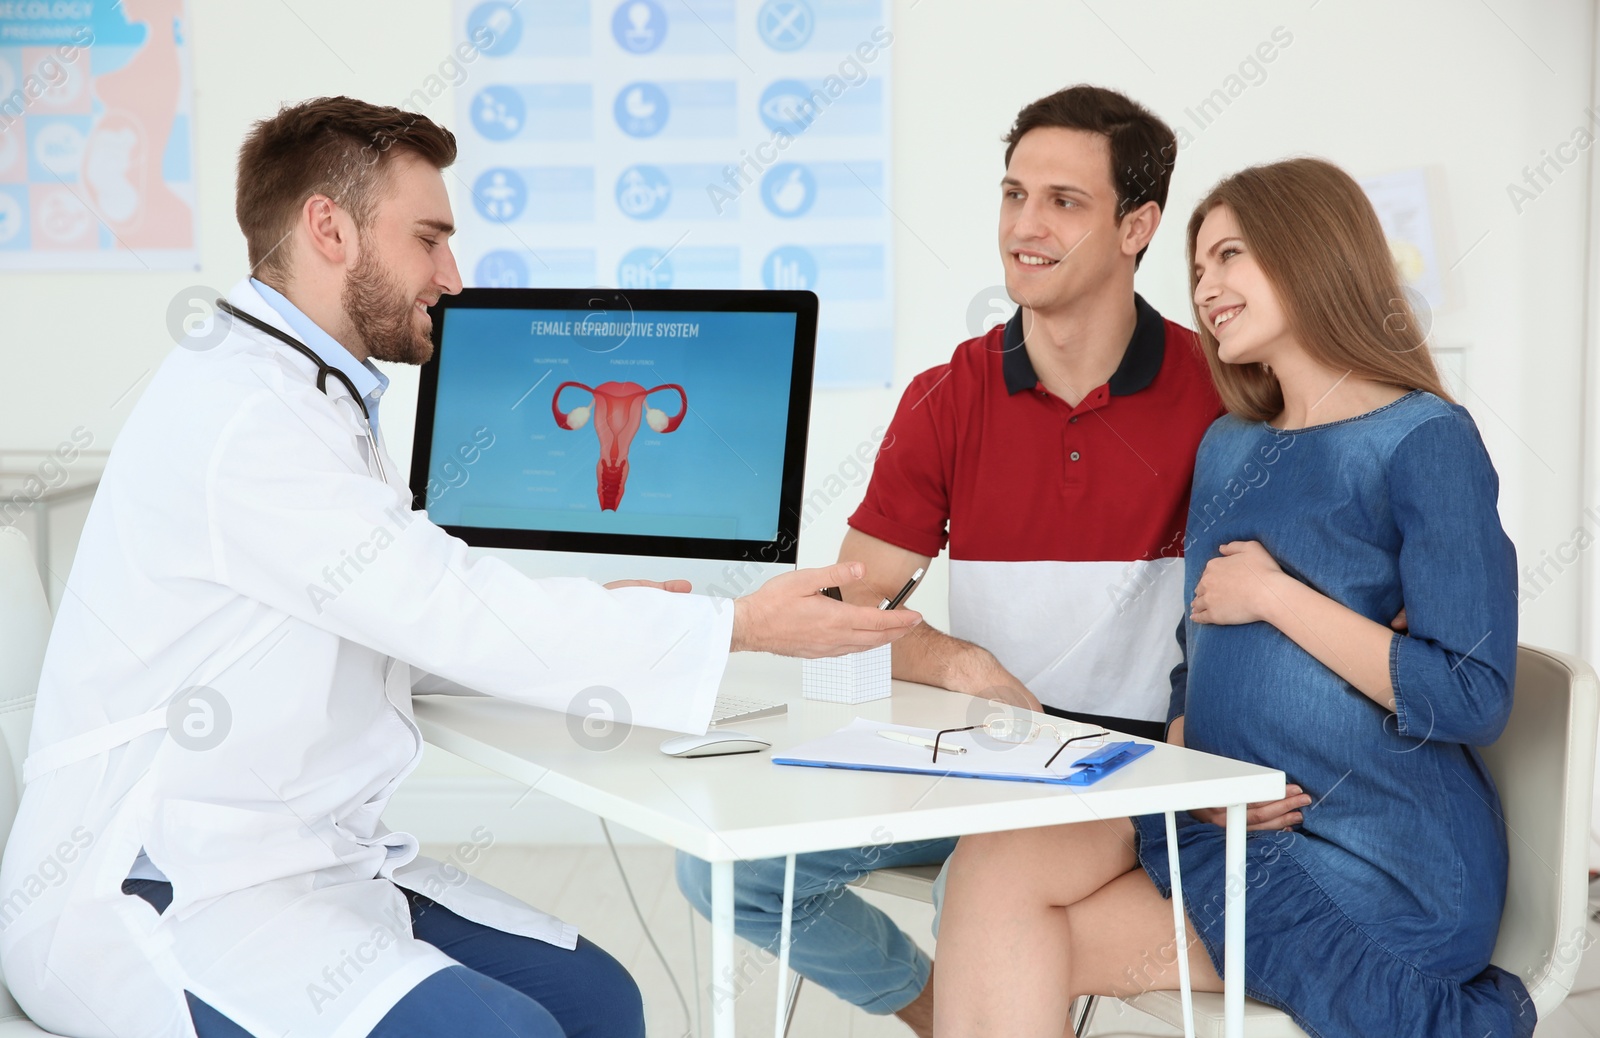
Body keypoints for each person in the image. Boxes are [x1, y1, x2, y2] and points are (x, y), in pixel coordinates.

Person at [0, 96, 921, 1038]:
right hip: (164, 887)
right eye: (430, 240)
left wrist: (612, 615)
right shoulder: (247, 414)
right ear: (330, 227)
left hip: (301, 862)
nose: (454, 276)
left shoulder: (311, 393)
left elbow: (392, 608)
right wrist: (741, 626)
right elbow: (443, 605)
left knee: (602, 1001)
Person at [677, 84, 1239, 1036]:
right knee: (727, 867)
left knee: (976, 900)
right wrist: (955, 662)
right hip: (977, 755)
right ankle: (946, 1013)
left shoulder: (1214, 397)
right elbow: (840, 613)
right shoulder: (951, 395)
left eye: (1065, 202)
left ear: (1138, 225)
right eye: (1015, 195)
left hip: (1134, 769)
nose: (1025, 225)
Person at [933, 157, 1535, 1038]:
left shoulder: (1423, 439)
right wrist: (1193, 765)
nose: (1206, 288)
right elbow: (1198, 651)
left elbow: (1474, 695)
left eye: (1230, 257)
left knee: (1027, 930)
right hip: (1228, 820)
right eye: (1199, 267)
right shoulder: (1228, 445)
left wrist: (1279, 597)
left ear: (1312, 254)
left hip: (1383, 864)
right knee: (996, 868)